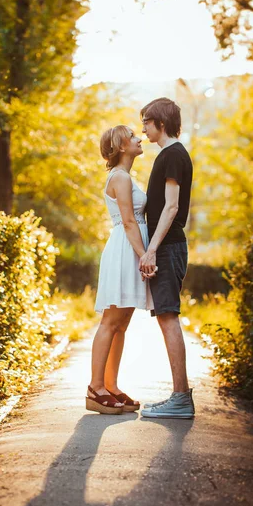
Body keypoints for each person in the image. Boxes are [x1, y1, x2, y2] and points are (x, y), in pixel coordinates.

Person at [86, 125, 155, 415]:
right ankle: (95, 388)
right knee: (111, 321)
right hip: (126, 250)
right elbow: (128, 221)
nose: (140, 139)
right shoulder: (120, 178)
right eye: (133, 137)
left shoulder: (127, 177)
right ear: (121, 146)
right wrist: (144, 256)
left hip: (131, 250)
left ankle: (111, 386)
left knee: (122, 324)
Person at [139, 97, 195, 419]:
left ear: (161, 123)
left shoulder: (172, 155)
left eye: (147, 121)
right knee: (166, 316)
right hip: (168, 246)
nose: (143, 127)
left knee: (168, 316)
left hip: (168, 246)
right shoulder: (170, 155)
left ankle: (180, 398)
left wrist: (151, 249)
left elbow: (171, 208)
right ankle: (179, 397)